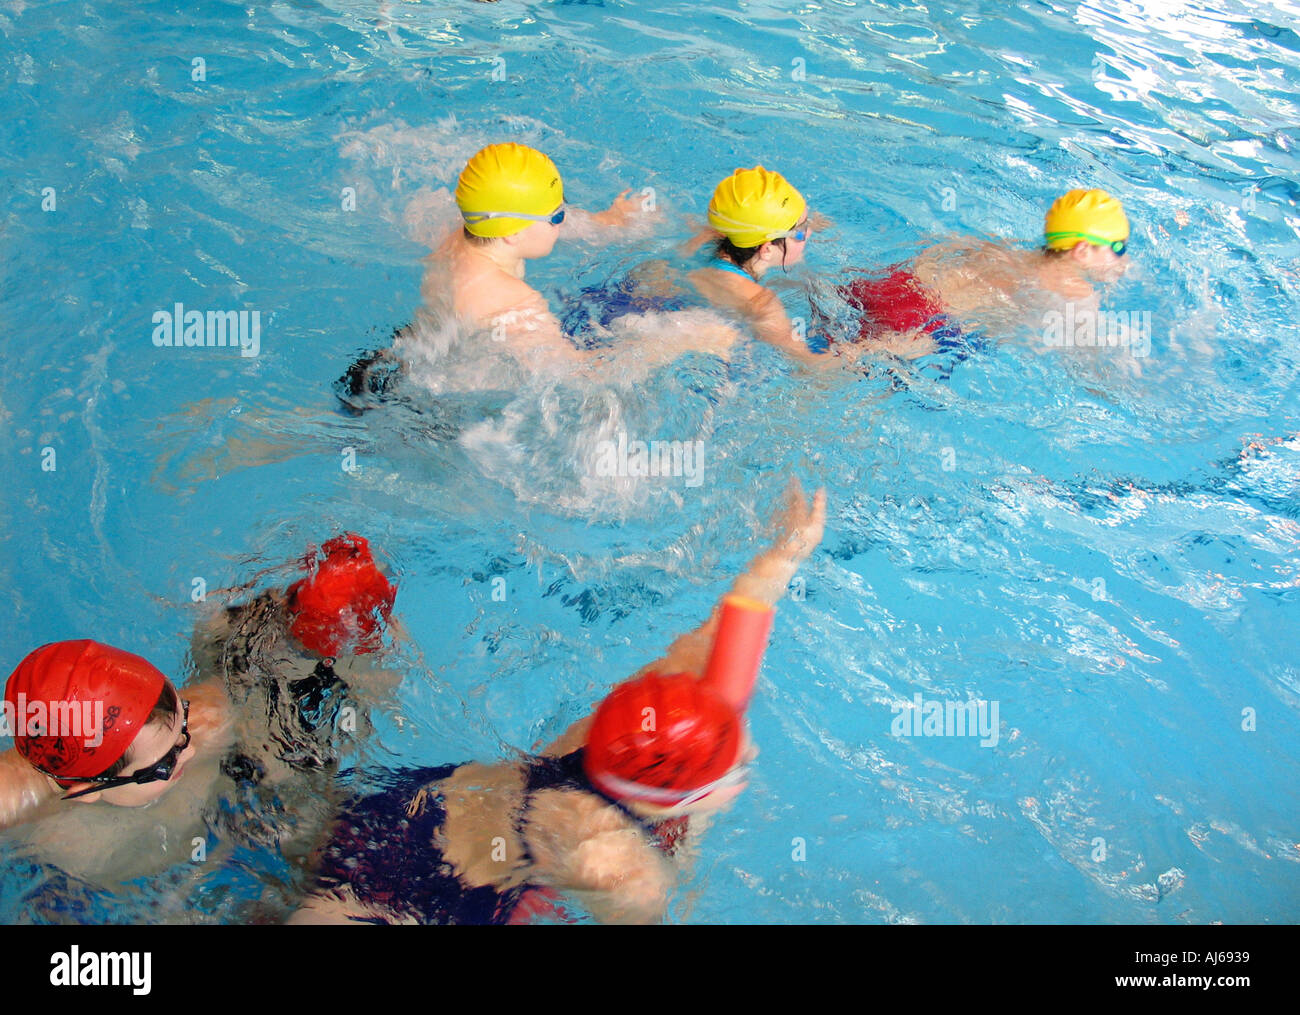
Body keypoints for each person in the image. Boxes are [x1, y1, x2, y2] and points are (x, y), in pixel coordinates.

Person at [289, 480, 826, 925]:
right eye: (737, 764)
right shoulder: (619, 869)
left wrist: (782, 556)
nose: (749, 750)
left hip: (399, 808)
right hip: (431, 900)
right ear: (678, 799)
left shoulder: (628, 729)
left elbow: (716, 644)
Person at [0, 534, 397, 886]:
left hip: (224, 834)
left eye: (182, 723)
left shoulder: (196, 725)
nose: (188, 748)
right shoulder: (33, 816)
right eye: (165, 763)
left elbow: (245, 683)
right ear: (85, 790)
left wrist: (321, 623)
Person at [834, 188, 1131, 356]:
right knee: (846, 365)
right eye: (1118, 248)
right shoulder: (1076, 293)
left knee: (827, 338)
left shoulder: (1011, 249)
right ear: (1081, 251)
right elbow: (1085, 360)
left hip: (898, 284)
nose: (1124, 258)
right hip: (925, 324)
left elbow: (947, 246)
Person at [686, 166, 835, 367]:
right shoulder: (762, 305)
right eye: (801, 232)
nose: (809, 234)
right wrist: (876, 348)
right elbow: (815, 367)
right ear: (766, 250)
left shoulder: (706, 237)